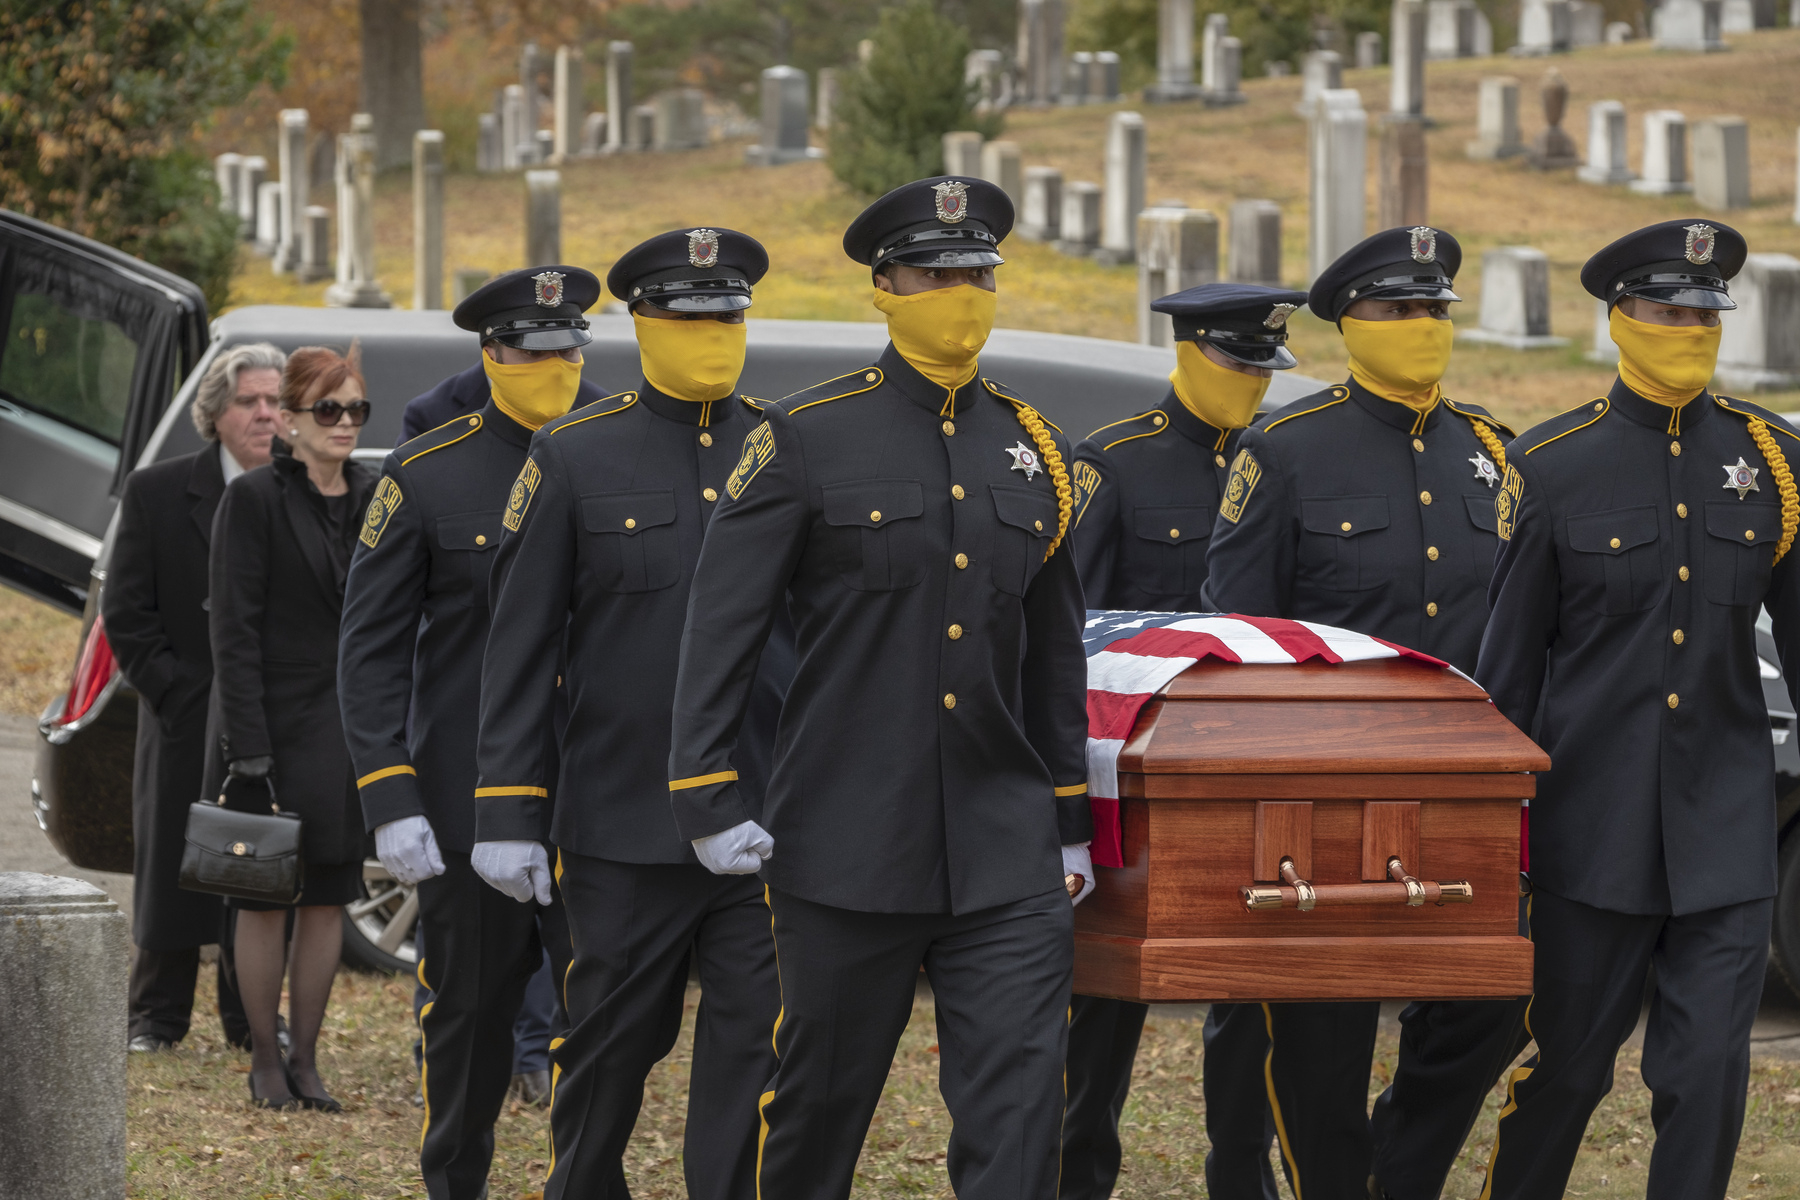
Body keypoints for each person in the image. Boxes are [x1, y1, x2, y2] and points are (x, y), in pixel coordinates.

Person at [666, 177, 1093, 1200]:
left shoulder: (1033, 447)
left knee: (1025, 1109)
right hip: (846, 843)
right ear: (885, 287)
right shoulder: (806, 435)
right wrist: (708, 797)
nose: (963, 292)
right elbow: (719, 628)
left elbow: (1054, 644)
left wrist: (1070, 816)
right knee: (816, 1107)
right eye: (936, 274)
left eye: (979, 273)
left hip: (1003, 847)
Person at [1201, 226, 1526, 1200]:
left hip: (1465, 792)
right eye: (1397, 310)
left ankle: (1402, 1176)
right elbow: (1239, 633)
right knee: (1318, 1042)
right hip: (1326, 795)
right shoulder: (1285, 452)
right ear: (1349, 323)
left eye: (1434, 309)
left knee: (1495, 1006)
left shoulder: (1494, 452)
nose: (1421, 327)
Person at [1477, 220, 1795, 1200]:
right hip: (1591, 830)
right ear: (1619, 319)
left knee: (1705, 1077)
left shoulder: (1772, 462)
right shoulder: (1550, 466)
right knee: (1568, 1070)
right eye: (1667, 310)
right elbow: (1509, 673)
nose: (1691, 328)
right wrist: (1500, 838)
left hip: (1727, 832)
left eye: (1706, 312)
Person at [475, 228, 789, 1200]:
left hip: (760, 819)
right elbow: (519, 648)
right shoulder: (575, 455)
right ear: (643, 323)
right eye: (692, 318)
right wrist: (506, 811)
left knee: (752, 1055)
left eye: (729, 317)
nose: (714, 335)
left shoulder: (787, 448)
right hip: (621, 823)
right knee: (607, 1052)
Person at [339, 267, 594, 1200]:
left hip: (594, 795)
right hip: (459, 799)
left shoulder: (623, 451)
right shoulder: (426, 471)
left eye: (571, 349)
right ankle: (456, 1182)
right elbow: (367, 651)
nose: (556, 367)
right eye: (534, 351)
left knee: (603, 1024)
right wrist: (389, 796)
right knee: (468, 1021)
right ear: (492, 355)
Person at [1060, 283, 1308, 1200]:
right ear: (1190, 352)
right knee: (1098, 1007)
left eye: (1263, 367)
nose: (1251, 382)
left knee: (1254, 985)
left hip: (1243, 766)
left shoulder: (1281, 462)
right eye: (1236, 362)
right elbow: (1075, 638)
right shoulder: (1114, 465)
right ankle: (1073, 1174)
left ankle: (1240, 1173)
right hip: (1131, 778)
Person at [202, 344, 377, 1110]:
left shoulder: (377, 497)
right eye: (328, 410)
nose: (344, 424)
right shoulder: (254, 503)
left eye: (356, 410)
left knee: (329, 896)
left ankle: (307, 1060)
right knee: (263, 895)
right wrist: (249, 753)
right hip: (271, 731)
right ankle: (264, 1061)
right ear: (293, 423)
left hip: (349, 735)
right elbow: (233, 636)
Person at [105, 343, 285, 1053]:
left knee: (256, 862)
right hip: (184, 712)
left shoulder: (295, 491)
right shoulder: (157, 491)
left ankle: (248, 1017)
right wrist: (178, 694)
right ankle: (156, 1017)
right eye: (249, 401)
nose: (265, 414)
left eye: (275, 400)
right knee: (168, 868)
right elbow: (125, 612)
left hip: (267, 715)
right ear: (215, 413)